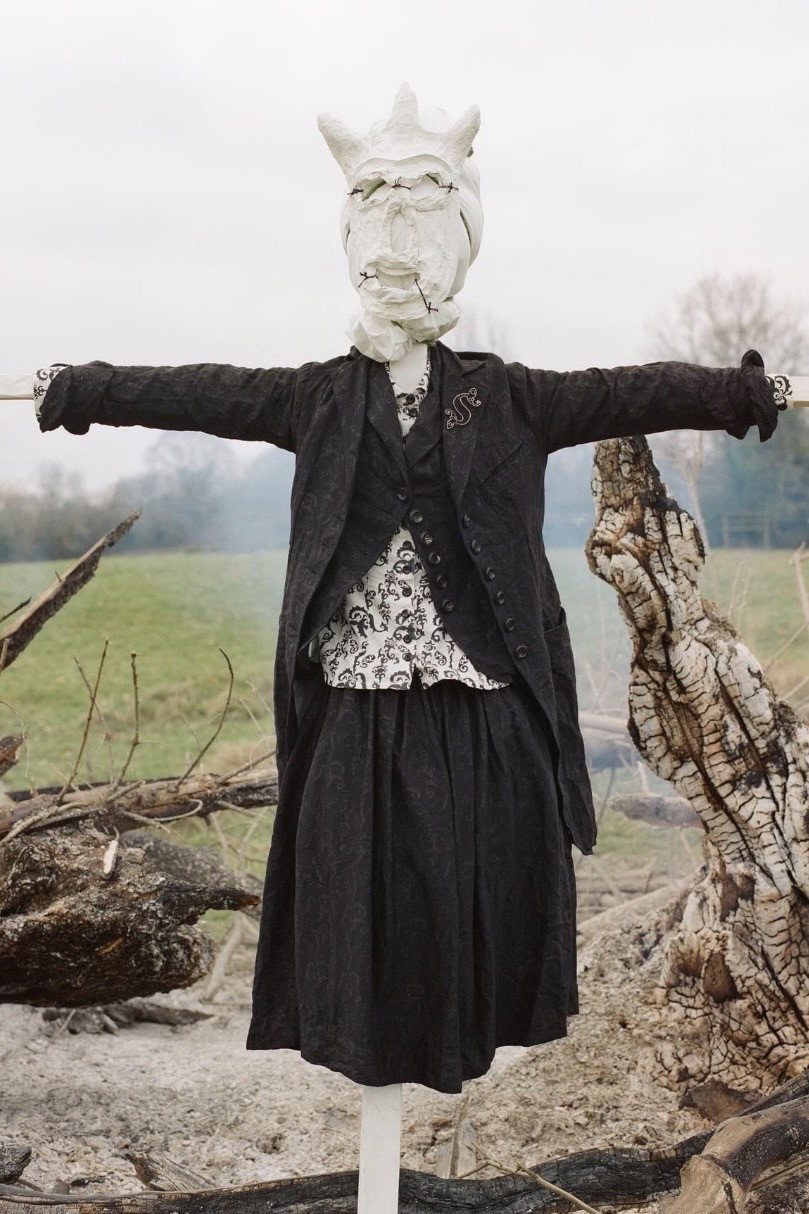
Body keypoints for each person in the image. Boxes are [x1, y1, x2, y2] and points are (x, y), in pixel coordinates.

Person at [2, 84, 783, 1095]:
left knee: (463, 905)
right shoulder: (318, 398)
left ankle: (448, 1055)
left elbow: (631, 388)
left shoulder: (506, 396)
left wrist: (738, 393)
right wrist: (81, 389)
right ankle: (366, 1060)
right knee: (357, 911)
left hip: (480, 714)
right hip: (353, 719)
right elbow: (193, 390)